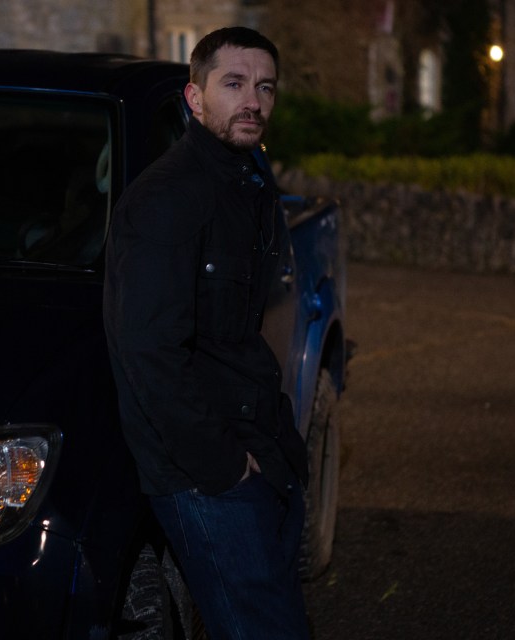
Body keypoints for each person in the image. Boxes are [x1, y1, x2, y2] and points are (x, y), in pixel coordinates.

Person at [103, 26, 312, 640]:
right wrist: (223, 466)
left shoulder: (248, 183)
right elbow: (148, 351)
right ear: (195, 99)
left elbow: (237, 335)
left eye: (265, 87)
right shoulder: (167, 200)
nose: (253, 101)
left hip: (257, 449)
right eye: (233, 84)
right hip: (207, 475)